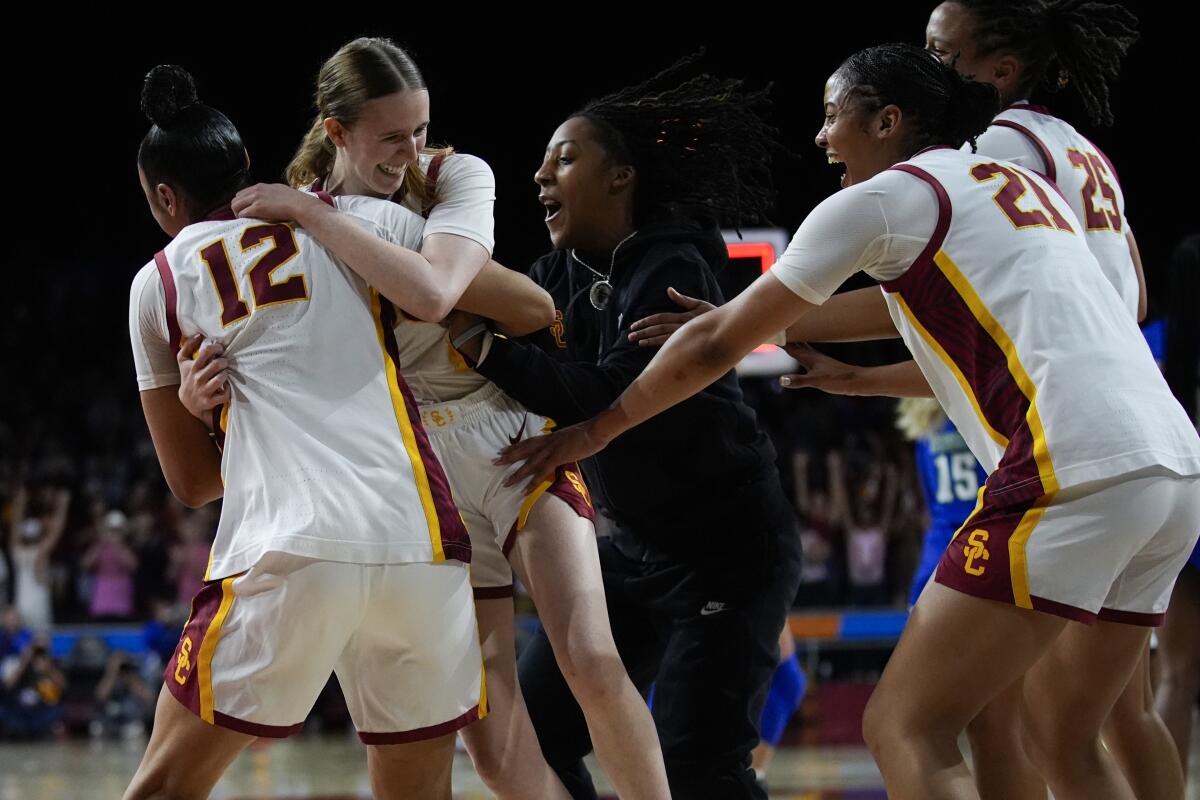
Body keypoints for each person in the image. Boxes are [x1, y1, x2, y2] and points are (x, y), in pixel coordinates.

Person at [501, 44, 1200, 800]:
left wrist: (597, 429)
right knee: (1070, 736)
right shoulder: (1014, 191)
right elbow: (920, 319)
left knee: (905, 725)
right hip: (1173, 471)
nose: (823, 137)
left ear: (887, 120)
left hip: (1073, 465)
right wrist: (852, 374)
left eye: (834, 116)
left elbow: (710, 343)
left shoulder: (883, 198)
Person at [180, 37, 668, 800]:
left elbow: (507, 304)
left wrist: (312, 214)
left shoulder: (449, 176)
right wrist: (202, 396)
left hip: (505, 434)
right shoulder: (284, 227)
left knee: (590, 658)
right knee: (494, 743)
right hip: (415, 473)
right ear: (335, 131)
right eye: (392, 135)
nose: (412, 151)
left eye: (420, 129)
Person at [447, 59, 803, 799]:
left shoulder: (676, 257)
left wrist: (480, 343)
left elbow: (605, 392)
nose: (541, 177)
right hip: (637, 551)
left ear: (622, 176)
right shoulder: (555, 274)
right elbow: (485, 321)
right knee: (539, 735)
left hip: (728, 549)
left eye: (565, 159)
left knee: (699, 764)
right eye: (540, 166)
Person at [124, 65, 481, 800]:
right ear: (248, 170)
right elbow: (517, 301)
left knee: (162, 788)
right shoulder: (364, 222)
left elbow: (193, 485)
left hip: (289, 544)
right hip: (418, 542)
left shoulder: (158, 281)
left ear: (164, 197)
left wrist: (210, 414)